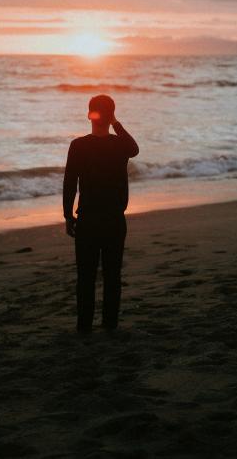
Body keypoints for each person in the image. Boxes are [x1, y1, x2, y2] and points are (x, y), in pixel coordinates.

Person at [63, 94, 139, 335]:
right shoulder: (119, 145)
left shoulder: (78, 145)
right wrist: (116, 122)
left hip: (88, 220)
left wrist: (68, 215)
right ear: (110, 116)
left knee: (85, 277)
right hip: (114, 220)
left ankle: (84, 327)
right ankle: (109, 324)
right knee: (111, 275)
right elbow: (134, 148)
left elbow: (69, 184)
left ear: (89, 115)